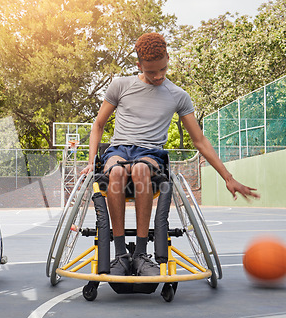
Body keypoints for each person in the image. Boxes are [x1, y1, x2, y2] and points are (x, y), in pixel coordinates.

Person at [81, 33, 260, 277]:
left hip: (150, 153)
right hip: (119, 150)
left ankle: (142, 254)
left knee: (142, 169)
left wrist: (227, 177)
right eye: (152, 71)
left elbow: (200, 140)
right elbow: (99, 125)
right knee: (116, 172)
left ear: (168, 58)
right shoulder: (120, 86)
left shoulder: (178, 96)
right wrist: (92, 162)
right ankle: (121, 254)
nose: (158, 76)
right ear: (139, 66)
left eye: (163, 69)